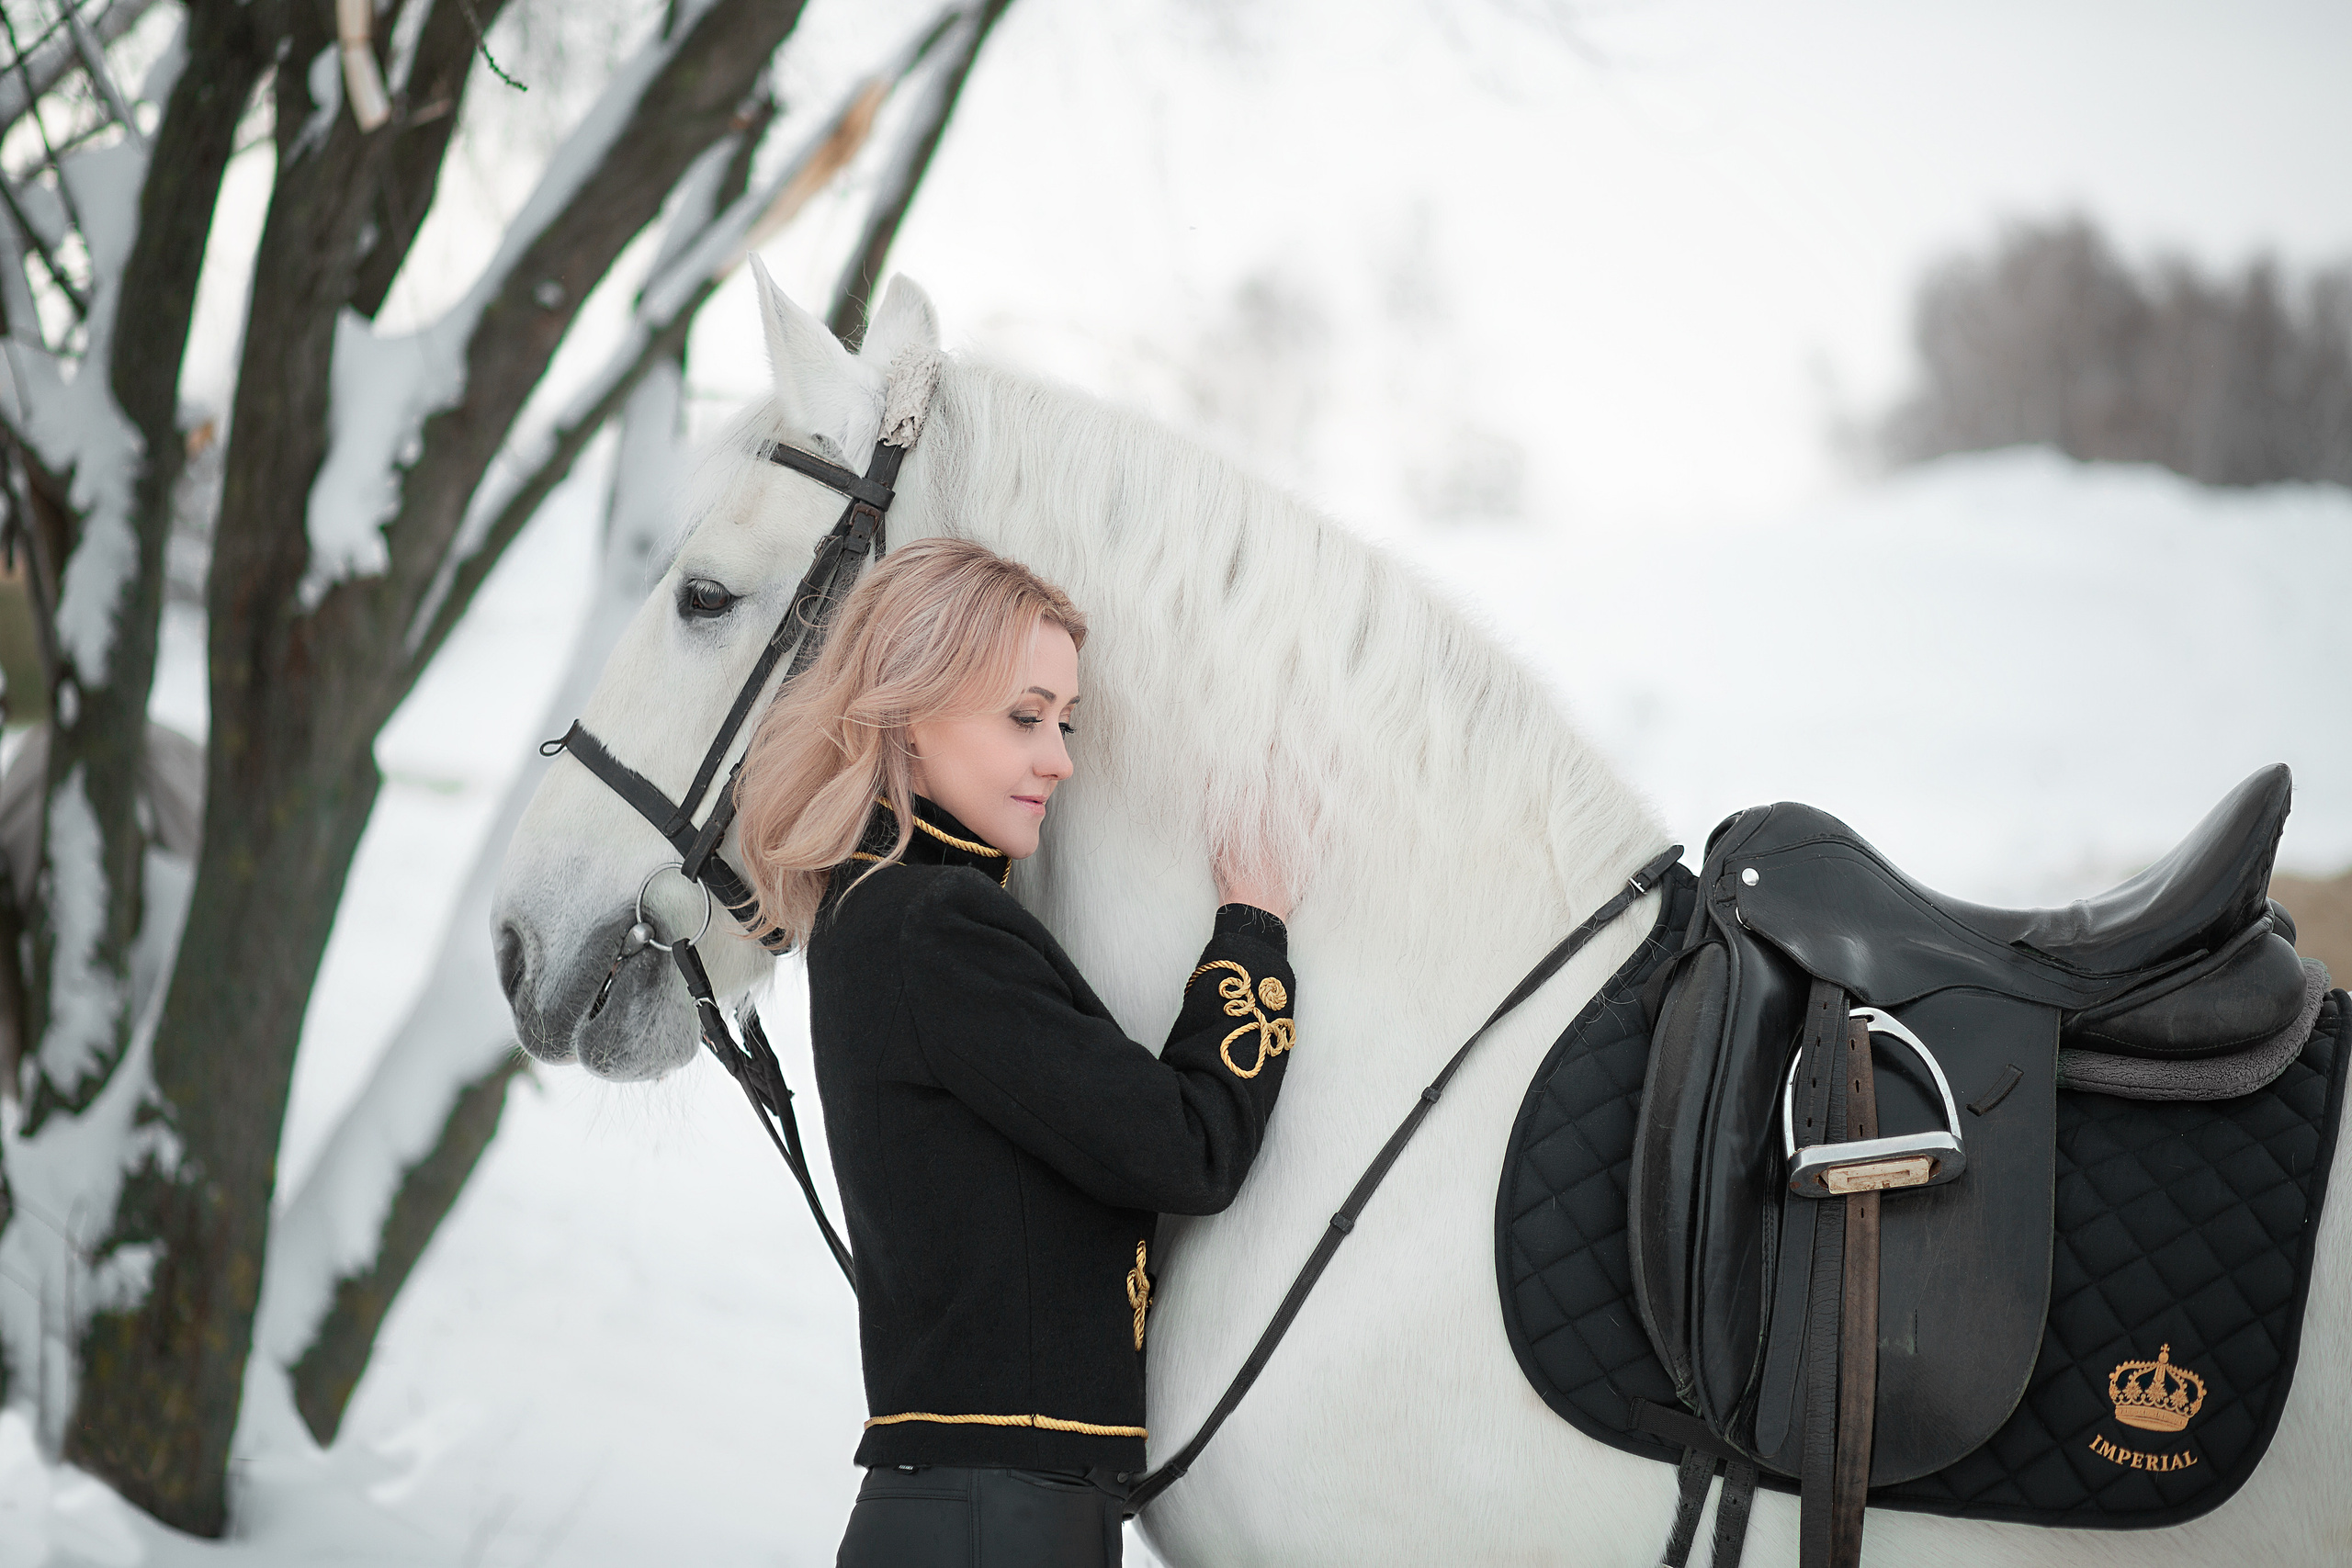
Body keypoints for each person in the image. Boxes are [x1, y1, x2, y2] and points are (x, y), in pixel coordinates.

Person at [735, 537, 1300, 1568]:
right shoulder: (933, 925)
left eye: (1065, 721)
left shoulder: (892, 913)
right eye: (1024, 716)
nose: (1060, 757)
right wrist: (1252, 926)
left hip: (984, 1513)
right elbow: (1186, 1149)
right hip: (995, 1523)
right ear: (909, 709)